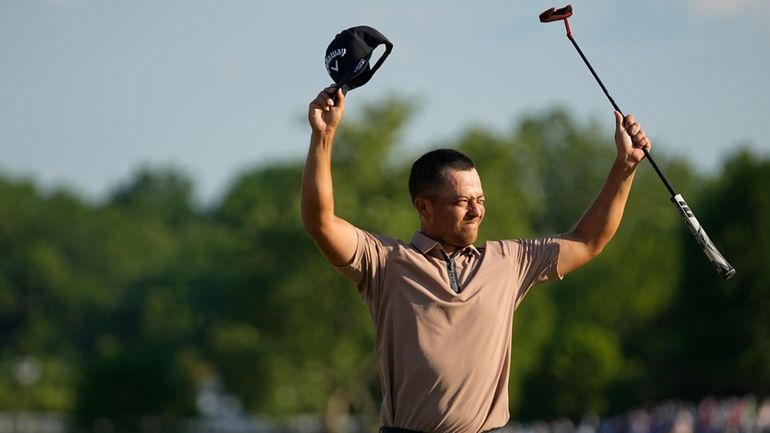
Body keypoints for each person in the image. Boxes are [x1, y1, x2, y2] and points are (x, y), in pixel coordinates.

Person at [301, 85, 651, 433]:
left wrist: (625, 166)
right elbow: (320, 222)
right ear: (424, 206)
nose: (476, 211)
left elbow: (588, 240)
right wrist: (324, 135)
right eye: (461, 202)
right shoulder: (385, 262)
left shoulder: (509, 261)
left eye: (480, 199)